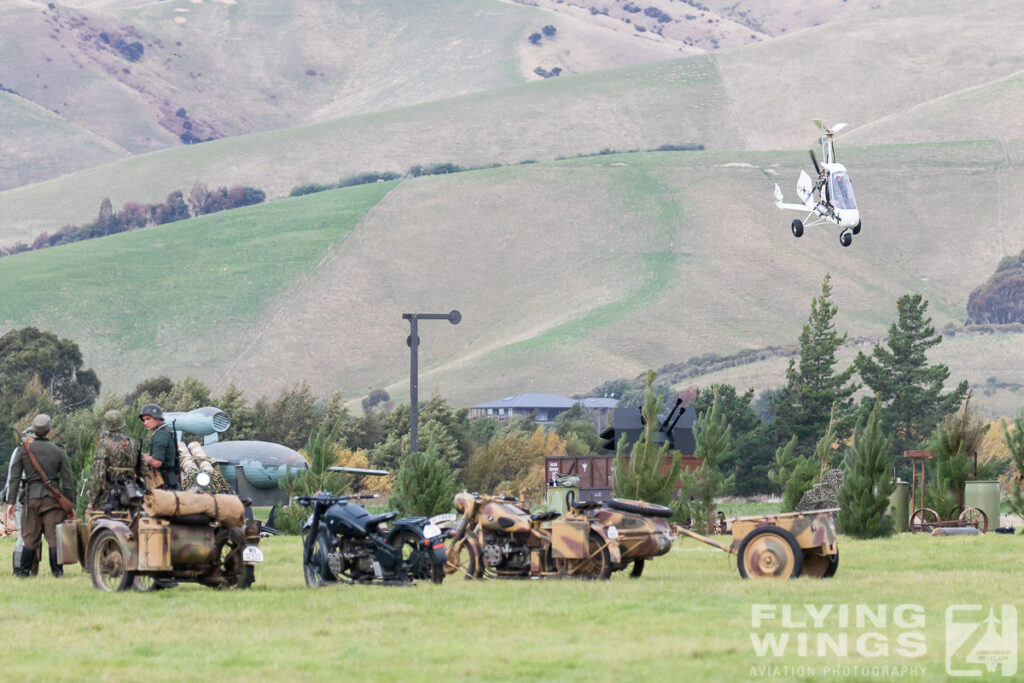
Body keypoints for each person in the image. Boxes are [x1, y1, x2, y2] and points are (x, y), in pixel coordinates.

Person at [5, 414, 75, 578]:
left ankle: (23, 573)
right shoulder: (59, 451)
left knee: (29, 538)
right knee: (53, 538)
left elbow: (14, 478)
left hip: (31, 500)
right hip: (53, 500)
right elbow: (68, 482)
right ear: (49, 431)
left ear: (34, 431)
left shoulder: (23, 450)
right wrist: (70, 505)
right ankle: (57, 573)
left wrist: (11, 502)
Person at [86, 410, 147, 513]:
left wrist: (93, 499)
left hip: (109, 498)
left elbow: (99, 475)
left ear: (106, 424)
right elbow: (144, 469)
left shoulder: (104, 444)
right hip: (131, 495)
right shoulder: (133, 442)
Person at [140, 403, 179, 490]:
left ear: (158, 418)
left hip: (164, 483)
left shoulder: (160, 435)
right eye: (144, 420)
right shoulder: (165, 431)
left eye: (148, 419)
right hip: (170, 481)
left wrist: (141, 456)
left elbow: (156, 462)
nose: (145, 423)